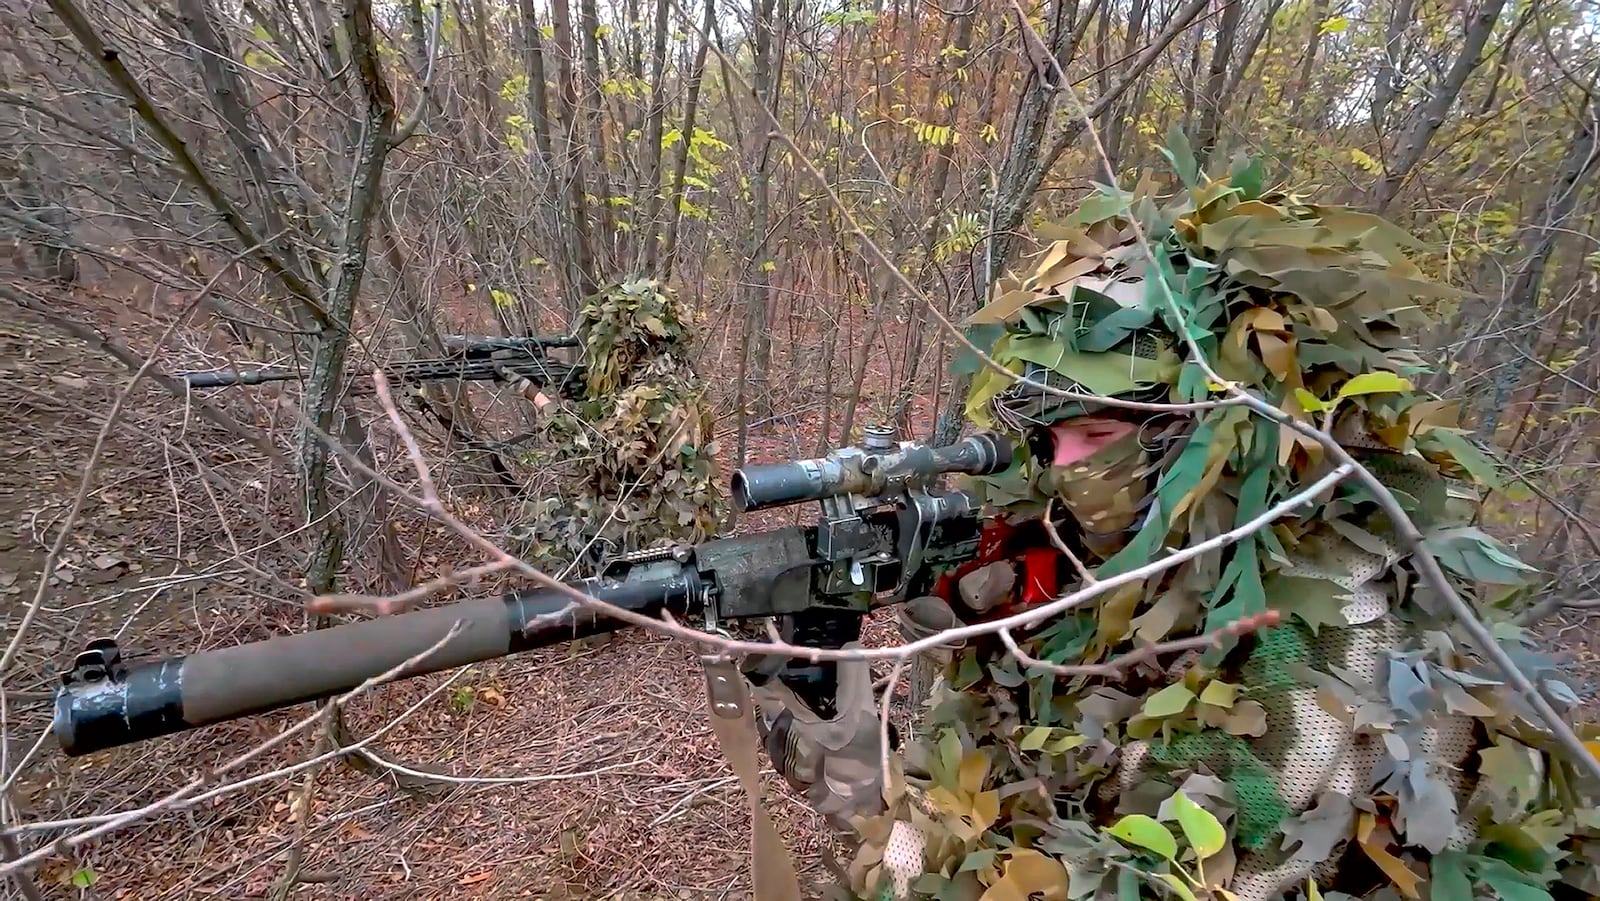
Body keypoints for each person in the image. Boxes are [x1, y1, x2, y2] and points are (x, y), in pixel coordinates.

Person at [745, 159, 1599, 900]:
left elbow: (1170, 871)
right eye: (1046, 436)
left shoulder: (1323, 645)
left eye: (1099, 432)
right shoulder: (1089, 554)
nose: (1066, 465)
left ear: (1212, 436)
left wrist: (894, 816)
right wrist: (862, 689)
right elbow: (965, 803)